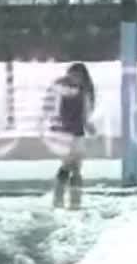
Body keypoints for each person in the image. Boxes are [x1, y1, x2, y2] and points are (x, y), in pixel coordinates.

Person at [41, 62, 96, 209]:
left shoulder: (84, 91)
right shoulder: (60, 89)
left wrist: (87, 124)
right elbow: (49, 107)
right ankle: (62, 199)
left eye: (79, 76)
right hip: (63, 132)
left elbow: (86, 111)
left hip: (77, 131)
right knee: (69, 164)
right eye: (73, 75)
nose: (76, 79)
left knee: (75, 166)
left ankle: (72, 200)